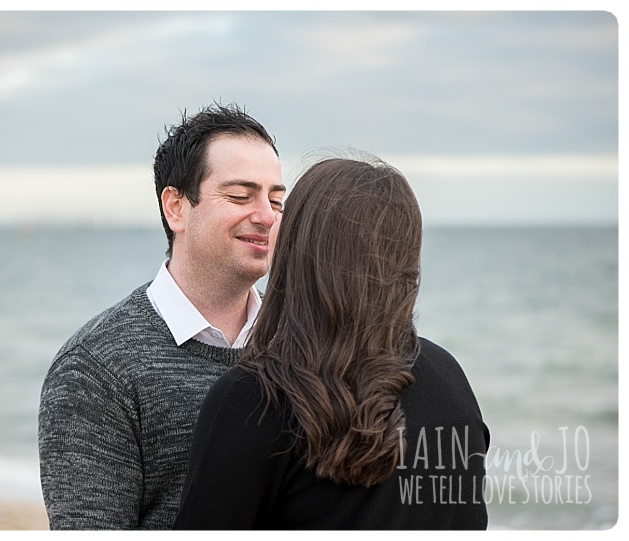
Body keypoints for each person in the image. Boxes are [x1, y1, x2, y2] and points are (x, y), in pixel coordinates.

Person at [174, 156, 490, 529]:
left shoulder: (255, 398)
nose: (271, 222)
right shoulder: (448, 377)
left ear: (302, 247)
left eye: (283, 211)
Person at [38, 103, 285, 529]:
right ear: (175, 207)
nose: (265, 216)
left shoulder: (302, 341)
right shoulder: (96, 367)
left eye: (276, 200)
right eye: (241, 196)